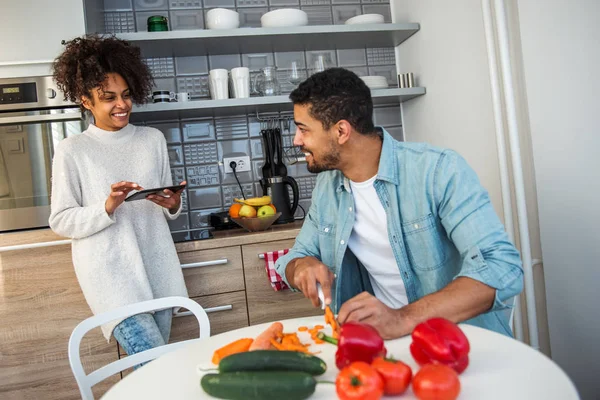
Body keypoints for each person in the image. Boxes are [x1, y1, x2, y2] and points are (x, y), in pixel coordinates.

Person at [275, 68, 523, 338]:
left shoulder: (437, 170)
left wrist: (402, 318)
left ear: (341, 131)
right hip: (386, 344)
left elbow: (502, 267)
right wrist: (301, 266)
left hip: (461, 342)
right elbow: (293, 258)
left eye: (303, 129)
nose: (296, 140)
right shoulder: (328, 187)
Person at [49, 34, 188, 358]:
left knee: (155, 373)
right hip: (111, 278)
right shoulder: (73, 150)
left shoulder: (152, 139)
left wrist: (173, 203)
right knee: (157, 366)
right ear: (86, 100)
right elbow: (60, 220)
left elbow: (166, 202)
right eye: (108, 97)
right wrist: (107, 206)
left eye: (125, 95)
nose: (121, 104)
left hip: (158, 266)